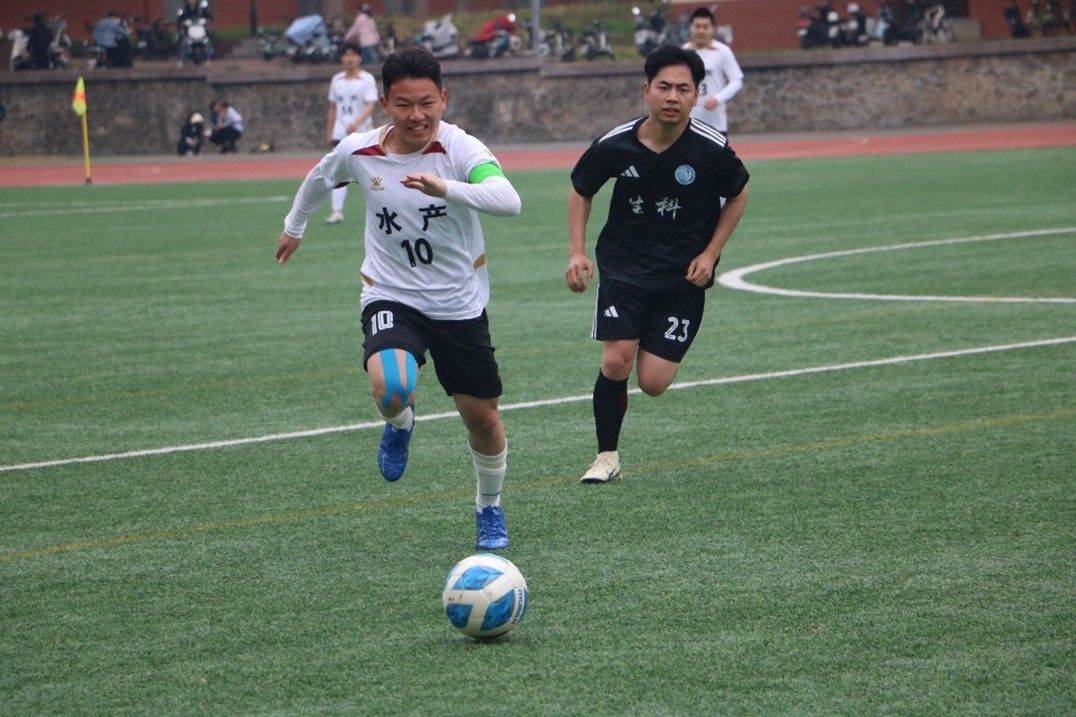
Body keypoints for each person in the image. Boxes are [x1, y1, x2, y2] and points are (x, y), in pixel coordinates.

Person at [274, 47, 523, 550]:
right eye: (404, 104)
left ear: (443, 98)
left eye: (427, 103)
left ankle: (489, 506)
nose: (417, 115)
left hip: (457, 303)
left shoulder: (460, 149)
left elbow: (508, 200)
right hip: (390, 292)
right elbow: (319, 178)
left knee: (482, 419)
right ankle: (401, 422)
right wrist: (294, 227)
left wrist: (446, 188)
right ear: (385, 103)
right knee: (391, 387)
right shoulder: (360, 151)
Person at [565, 44, 750, 484]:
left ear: (697, 94)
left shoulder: (710, 148)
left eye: (683, 89)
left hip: (682, 278)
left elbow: (738, 195)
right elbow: (581, 190)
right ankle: (606, 457)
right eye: (663, 87)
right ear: (646, 90)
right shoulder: (616, 143)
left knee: (653, 382)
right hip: (623, 268)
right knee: (617, 361)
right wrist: (577, 252)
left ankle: (649, 343)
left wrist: (710, 254)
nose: (672, 96)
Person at [324, 41, 378, 225]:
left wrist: (357, 122)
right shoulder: (337, 80)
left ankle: (379, 207)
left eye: (353, 55)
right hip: (340, 133)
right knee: (338, 171)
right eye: (346, 55)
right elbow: (333, 107)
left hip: (363, 133)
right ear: (341, 58)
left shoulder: (367, 79)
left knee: (370, 172)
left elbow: (370, 104)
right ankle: (336, 211)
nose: (350, 58)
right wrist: (329, 132)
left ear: (360, 58)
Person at [682, 7, 743, 138]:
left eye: (705, 27)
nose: (701, 30)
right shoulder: (683, 52)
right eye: (697, 26)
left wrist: (718, 99)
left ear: (713, 29)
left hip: (715, 123)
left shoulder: (722, 51)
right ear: (690, 28)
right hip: (688, 122)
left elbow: (737, 80)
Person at [176, 0, 213, 67]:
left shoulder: (202, 8)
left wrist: (205, 20)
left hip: (201, 30)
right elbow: (179, 19)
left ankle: (208, 59)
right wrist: (184, 22)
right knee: (184, 43)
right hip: (189, 31)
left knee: (208, 42)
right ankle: (182, 60)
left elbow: (209, 17)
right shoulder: (184, 10)